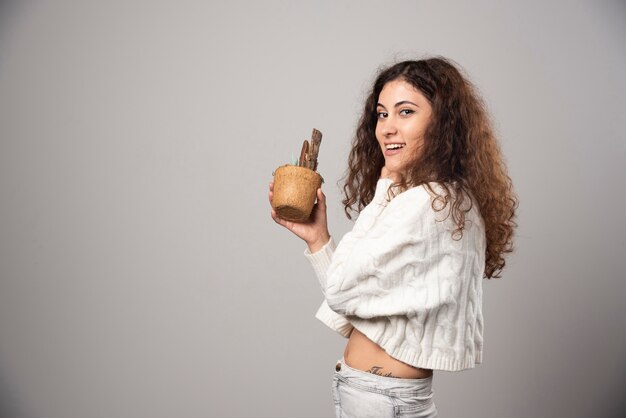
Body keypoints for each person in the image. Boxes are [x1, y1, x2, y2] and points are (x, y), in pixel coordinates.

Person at [269, 57, 517, 418]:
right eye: (382, 114)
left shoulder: (427, 202)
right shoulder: (445, 199)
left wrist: (385, 186)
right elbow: (354, 307)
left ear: (443, 123)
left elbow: (340, 291)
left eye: (405, 112)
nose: (387, 128)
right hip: (378, 398)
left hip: (383, 402)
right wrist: (318, 238)